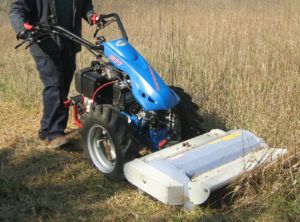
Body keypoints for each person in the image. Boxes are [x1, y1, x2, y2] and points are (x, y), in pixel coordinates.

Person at [9, 0, 98, 148]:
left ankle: (46, 129)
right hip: (44, 42)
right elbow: (16, 9)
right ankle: (55, 134)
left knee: (63, 86)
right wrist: (21, 28)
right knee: (54, 85)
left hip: (69, 42)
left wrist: (91, 15)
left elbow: (85, 5)